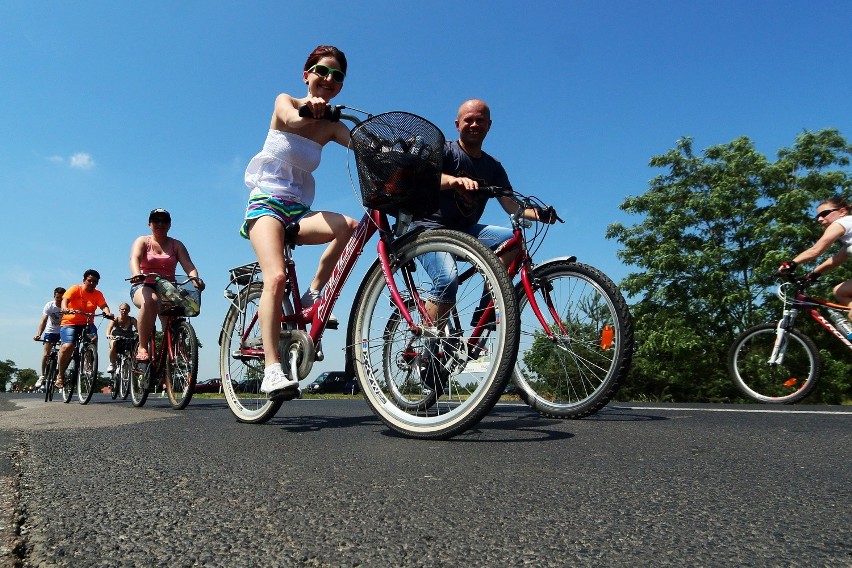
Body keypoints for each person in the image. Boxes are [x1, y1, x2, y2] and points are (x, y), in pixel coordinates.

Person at [241, 45, 358, 396]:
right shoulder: (287, 102)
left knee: (350, 227)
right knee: (275, 275)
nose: (328, 80)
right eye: (322, 71)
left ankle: (312, 293)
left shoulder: (332, 126)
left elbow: (363, 147)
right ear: (307, 74)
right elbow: (291, 121)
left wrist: (397, 147)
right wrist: (312, 108)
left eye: (337, 77)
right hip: (266, 205)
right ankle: (272, 368)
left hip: (299, 209)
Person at [413, 98, 557, 324]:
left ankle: (486, 309)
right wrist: (453, 181)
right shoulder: (446, 151)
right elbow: (421, 178)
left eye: (480, 120)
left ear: (489, 124)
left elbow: (511, 205)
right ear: (457, 124)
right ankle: (425, 349)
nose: (474, 125)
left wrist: (539, 214)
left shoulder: (493, 167)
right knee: (446, 280)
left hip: (464, 231)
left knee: (512, 241)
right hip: (428, 229)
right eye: (468, 120)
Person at [129, 208, 204, 363]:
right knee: (151, 301)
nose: (160, 224)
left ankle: (168, 365)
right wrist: (136, 274)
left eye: (164, 221)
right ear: (150, 224)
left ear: (170, 224)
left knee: (173, 323)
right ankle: (142, 347)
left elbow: (189, 266)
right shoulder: (143, 241)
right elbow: (134, 258)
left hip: (168, 289)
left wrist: (195, 279)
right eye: (156, 220)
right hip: (143, 285)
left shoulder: (176, 245)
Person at [778, 196, 852, 316]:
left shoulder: (842, 222)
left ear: (842, 212)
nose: (820, 219)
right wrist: (814, 273)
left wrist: (791, 263)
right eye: (818, 216)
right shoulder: (849, 238)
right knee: (840, 291)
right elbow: (837, 259)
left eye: (824, 214)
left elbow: (815, 250)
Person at [56, 270, 113, 388]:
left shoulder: (98, 294)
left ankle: (88, 364)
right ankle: (60, 375)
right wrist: (65, 308)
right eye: (89, 280)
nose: (92, 283)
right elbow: (65, 300)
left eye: (95, 282)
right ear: (84, 280)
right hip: (70, 322)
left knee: (94, 339)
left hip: (87, 323)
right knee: (68, 346)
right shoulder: (75, 289)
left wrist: (108, 313)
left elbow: (103, 306)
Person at [33, 287, 66, 389]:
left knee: (63, 353)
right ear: (54, 297)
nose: (59, 300)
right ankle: (42, 376)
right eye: (57, 298)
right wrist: (39, 334)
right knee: (46, 354)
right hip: (51, 331)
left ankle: (60, 375)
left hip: (62, 331)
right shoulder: (49, 306)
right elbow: (43, 321)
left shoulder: (67, 306)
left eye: (61, 298)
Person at [106, 303, 137, 375]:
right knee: (113, 344)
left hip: (128, 338)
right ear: (119, 310)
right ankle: (112, 363)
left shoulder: (132, 319)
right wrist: (108, 335)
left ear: (129, 310)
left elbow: (139, 329)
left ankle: (134, 365)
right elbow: (109, 328)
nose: (124, 311)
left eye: (126, 309)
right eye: (122, 309)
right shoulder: (115, 319)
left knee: (136, 346)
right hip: (117, 337)